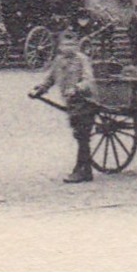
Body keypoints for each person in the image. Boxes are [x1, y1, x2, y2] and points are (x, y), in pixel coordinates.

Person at [29, 29, 99, 183]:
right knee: (80, 136)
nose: (69, 47)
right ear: (60, 47)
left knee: (82, 136)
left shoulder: (82, 60)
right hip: (71, 104)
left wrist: (77, 88)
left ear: (77, 46)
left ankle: (81, 171)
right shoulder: (58, 61)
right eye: (66, 45)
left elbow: (89, 80)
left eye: (72, 44)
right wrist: (39, 90)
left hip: (86, 102)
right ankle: (85, 170)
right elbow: (50, 79)